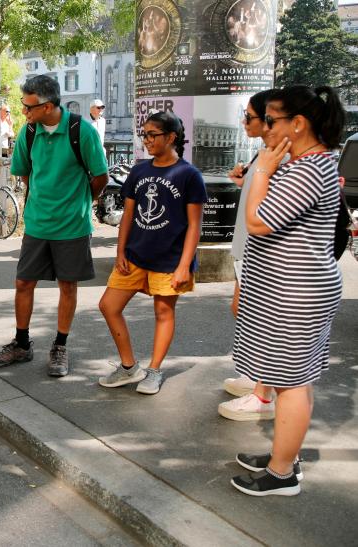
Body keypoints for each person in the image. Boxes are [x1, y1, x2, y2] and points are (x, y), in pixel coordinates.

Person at [229, 85, 345, 497]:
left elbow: (259, 222)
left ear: (297, 124)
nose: (264, 130)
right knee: (288, 379)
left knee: (293, 383)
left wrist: (261, 171)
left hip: (296, 292)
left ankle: (282, 474)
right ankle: (285, 453)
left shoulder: (309, 168)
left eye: (271, 121)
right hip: (288, 289)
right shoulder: (304, 163)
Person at [0, 75, 108, 376]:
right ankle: (22, 342)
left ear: (49, 105)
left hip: (72, 225)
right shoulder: (28, 133)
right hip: (38, 222)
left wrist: (80, 203)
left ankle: (60, 345)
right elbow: (26, 175)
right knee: (23, 283)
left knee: (68, 286)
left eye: (29, 107)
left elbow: (100, 177)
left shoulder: (83, 131)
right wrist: (45, 200)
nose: (25, 112)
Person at [97, 111, 207, 395]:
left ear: (171, 137)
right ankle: (129, 367)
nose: (146, 140)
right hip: (135, 254)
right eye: (143, 135)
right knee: (109, 306)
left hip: (170, 259)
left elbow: (195, 225)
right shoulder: (140, 170)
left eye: (152, 135)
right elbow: (129, 215)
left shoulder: (189, 175)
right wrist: (120, 250)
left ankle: (154, 370)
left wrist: (185, 266)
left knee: (163, 311)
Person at [219, 89, 279, 421]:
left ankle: (262, 392)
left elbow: (269, 213)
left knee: (258, 316)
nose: (244, 123)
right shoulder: (266, 152)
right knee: (244, 309)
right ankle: (256, 379)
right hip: (247, 247)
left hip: (261, 250)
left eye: (250, 117)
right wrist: (245, 181)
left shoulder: (278, 156)